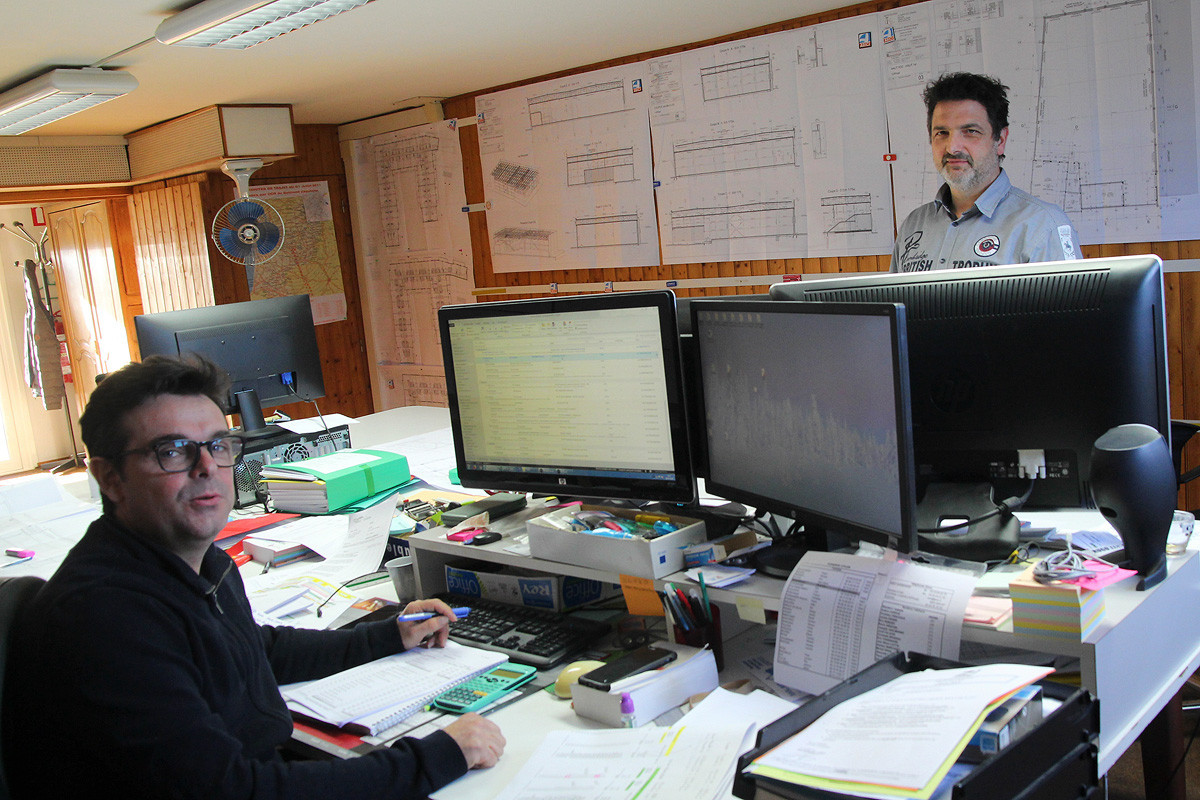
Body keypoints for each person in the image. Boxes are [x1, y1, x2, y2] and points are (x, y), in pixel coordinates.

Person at [1, 355, 505, 799]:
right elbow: (236, 791)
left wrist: (388, 636)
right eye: (172, 451)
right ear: (109, 477)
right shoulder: (107, 618)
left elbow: (254, 652)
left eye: (217, 444)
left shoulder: (197, 559)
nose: (207, 468)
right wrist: (438, 755)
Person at [891, 72, 1080, 273]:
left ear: (1000, 140)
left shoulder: (1042, 226)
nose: (953, 147)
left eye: (971, 132)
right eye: (942, 133)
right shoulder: (913, 225)